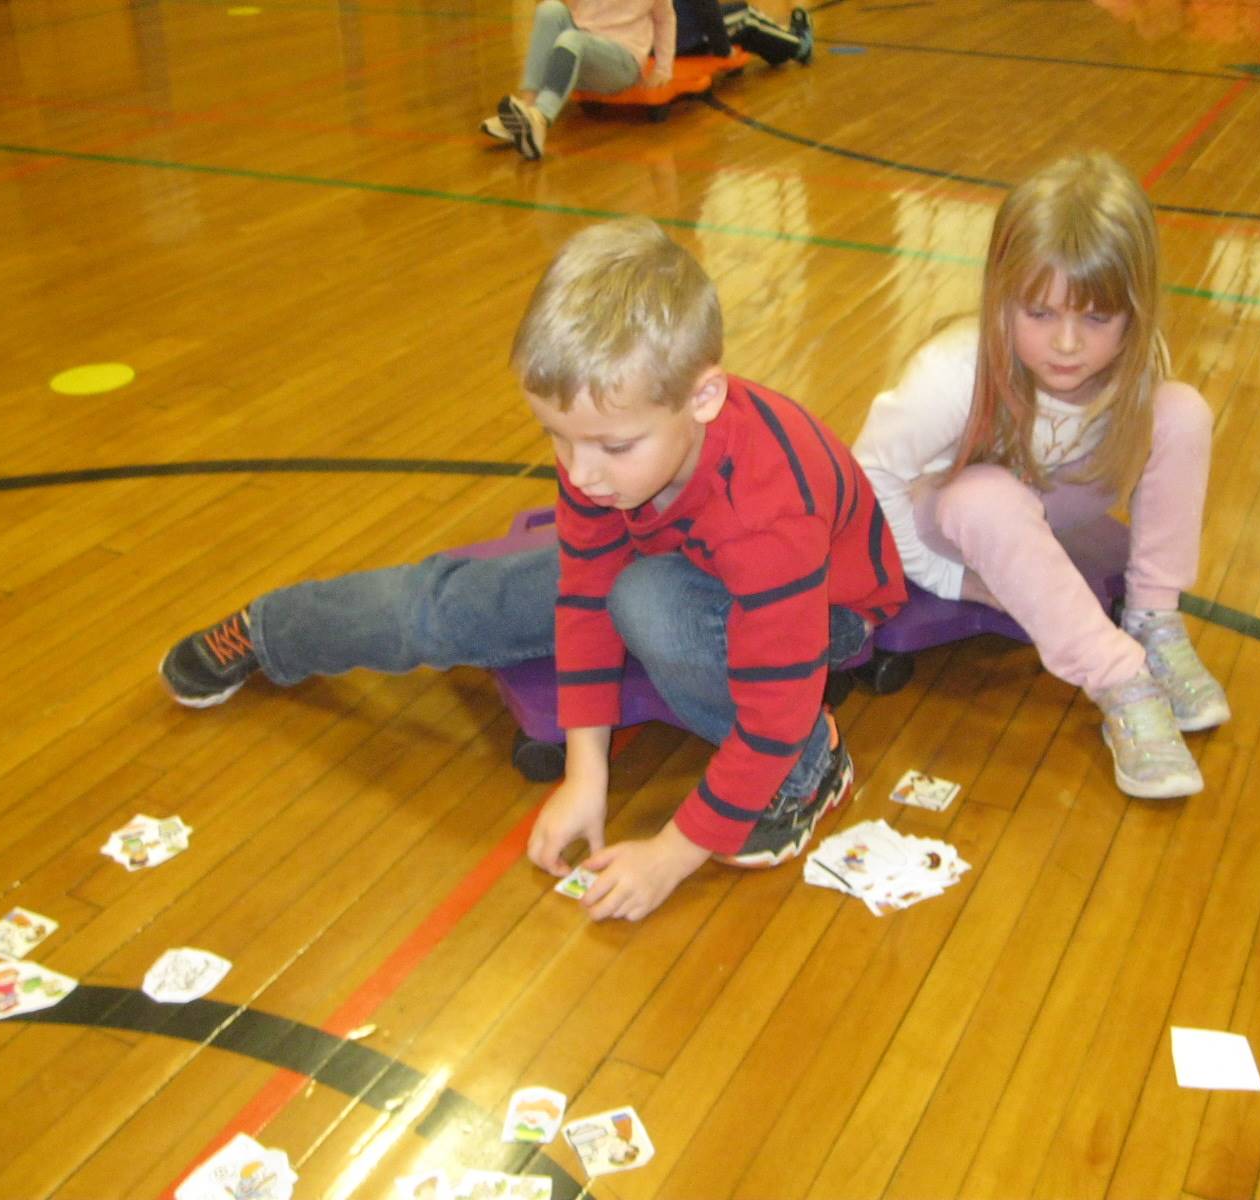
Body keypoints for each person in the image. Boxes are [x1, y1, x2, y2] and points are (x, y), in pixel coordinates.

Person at [160, 218, 908, 920]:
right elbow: (582, 597)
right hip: (668, 553)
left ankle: (815, 766)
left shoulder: (767, 512)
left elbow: (773, 711)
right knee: (462, 603)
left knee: (644, 598)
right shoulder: (604, 454)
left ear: (703, 395)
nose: (579, 474)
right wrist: (587, 773)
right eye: (558, 438)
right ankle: (272, 630)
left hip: (824, 614)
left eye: (611, 447)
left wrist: (671, 857)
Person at [853, 151, 1229, 800]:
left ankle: (1154, 620)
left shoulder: (1138, 359)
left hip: (1055, 497)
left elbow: (1147, 435)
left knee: (1183, 412)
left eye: (1095, 318)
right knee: (988, 496)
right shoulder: (953, 372)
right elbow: (869, 480)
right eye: (1040, 314)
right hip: (957, 519)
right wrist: (954, 580)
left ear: (1134, 314)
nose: (1066, 345)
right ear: (1003, 296)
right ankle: (1120, 680)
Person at [482, 0, 677, 160]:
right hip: (581, 49)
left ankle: (540, 118)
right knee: (549, 10)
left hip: (621, 61)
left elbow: (665, 18)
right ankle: (526, 110)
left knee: (571, 38)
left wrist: (663, 68)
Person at [674, 0, 812, 67]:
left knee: (735, 12)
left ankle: (777, 52)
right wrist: (724, 50)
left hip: (669, 39)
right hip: (689, 40)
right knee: (746, 15)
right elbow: (708, 11)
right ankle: (799, 46)